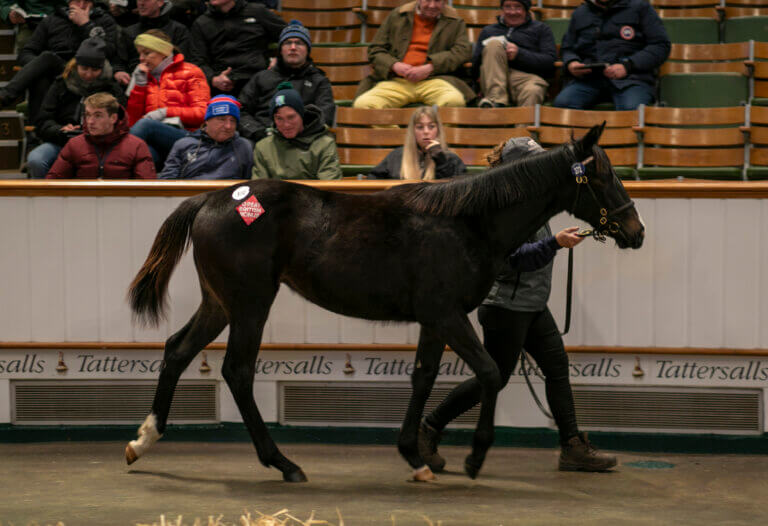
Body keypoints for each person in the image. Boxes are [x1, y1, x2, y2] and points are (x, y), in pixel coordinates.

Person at [418, 136, 618, 473]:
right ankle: (428, 429)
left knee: (556, 369)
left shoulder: (530, 200)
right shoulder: (501, 208)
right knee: (493, 379)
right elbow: (511, 260)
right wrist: (555, 243)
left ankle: (572, 447)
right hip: (506, 310)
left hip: (531, 304)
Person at [0, 0, 118, 121]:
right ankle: (39, 129)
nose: (81, 6)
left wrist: (86, 25)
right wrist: (38, 66)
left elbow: (108, 51)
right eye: (77, 1)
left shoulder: (105, 20)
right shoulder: (52, 20)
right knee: (43, 68)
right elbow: (27, 52)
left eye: (86, 1)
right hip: (57, 70)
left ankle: (5, 96)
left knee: (47, 58)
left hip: (89, 70)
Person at [28, 37, 126, 179]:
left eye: (94, 70)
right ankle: (45, 198)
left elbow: (121, 121)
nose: (88, 74)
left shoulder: (112, 89)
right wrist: (60, 130)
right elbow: (43, 120)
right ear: (76, 65)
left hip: (100, 146)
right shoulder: (61, 84)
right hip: (61, 141)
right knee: (36, 159)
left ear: (102, 68)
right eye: (84, 68)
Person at [353, 0, 474, 109]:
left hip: (434, 80)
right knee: (364, 105)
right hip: (396, 80)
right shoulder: (398, 15)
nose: (432, 5)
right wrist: (394, 65)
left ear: (444, 2)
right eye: (427, 0)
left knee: (453, 102)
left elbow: (462, 51)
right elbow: (375, 49)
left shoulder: (455, 21)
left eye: (437, 1)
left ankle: (429, 133)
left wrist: (431, 67)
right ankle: (398, 134)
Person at [554, 0, 670, 111]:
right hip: (589, 80)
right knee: (563, 104)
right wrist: (571, 62)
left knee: (631, 109)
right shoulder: (580, 13)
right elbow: (567, 48)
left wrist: (628, 65)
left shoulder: (641, 7)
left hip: (632, 79)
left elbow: (660, 46)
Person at [239, 20, 334, 143]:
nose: (293, 47)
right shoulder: (261, 77)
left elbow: (324, 116)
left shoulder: (319, 81)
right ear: (281, 49)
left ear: (307, 50)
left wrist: (295, 131)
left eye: (299, 43)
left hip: (303, 141)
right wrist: (257, 132)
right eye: (288, 43)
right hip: (262, 140)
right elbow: (241, 110)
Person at [126, 29, 210, 166]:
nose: (141, 58)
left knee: (145, 125)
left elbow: (203, 113)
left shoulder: (191, 72)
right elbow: (132, 123)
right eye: (139, 54)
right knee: (143, 156)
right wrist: (139, 87)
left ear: (163, 53)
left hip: (189, 137)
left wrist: (164, 112)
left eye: (147, 53)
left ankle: (111, 166)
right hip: (157, 143)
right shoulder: (142, 76)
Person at [46, 92, 156, 179]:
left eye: (98, 116)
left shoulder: (136, 146)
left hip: (122, 204)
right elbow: (53, 182)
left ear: (113, 118)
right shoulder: (75, 144)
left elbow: (147, 188)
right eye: (88, 115)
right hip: (82, 203)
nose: (90, 121)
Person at [190, 0, 286, 97]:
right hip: (222, 85)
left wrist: (278, 60)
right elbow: (197, 60)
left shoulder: (257, 11)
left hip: (257, 79)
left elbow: (290, 35)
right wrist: (213, 79)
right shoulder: (201, 23)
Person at [473, 0, 556, 108]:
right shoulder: (488, 31)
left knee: (533, 91)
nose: (512, 12)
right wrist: (491, 50)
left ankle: (524, 125)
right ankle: (496, 100)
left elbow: (549, 62)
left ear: (526, 10)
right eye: (507, 7)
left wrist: (519, 54)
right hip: (491, 77)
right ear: (502, 9)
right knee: (494, 44)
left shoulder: (541, 29)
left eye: (518, 7)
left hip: (526, 78)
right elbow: (474, 67)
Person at [251, 83, 342, 180]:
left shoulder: (325, 145)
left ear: (301, 115)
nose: (286, 125)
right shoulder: (263, 147)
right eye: (279, 119)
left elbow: (329, 188)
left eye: (291, 117)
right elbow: (259, 189)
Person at [159, 95, 253, 179]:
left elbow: (249, 185)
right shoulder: (184, 144)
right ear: (207, 121)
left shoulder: (243, 146)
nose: (228, 126)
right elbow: (166, 183)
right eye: (222, 119)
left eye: (232, 121)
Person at [112, 0, 200, 87]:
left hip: (172, 86)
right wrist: (118, 72)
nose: (141, 3)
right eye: (138, 0)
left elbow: (185, 61)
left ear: (160, 2)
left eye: (147, 0)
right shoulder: (128, 32)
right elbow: (118, 61)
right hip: (136, 86)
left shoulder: (179, 30)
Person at [369, 105, 464, 180]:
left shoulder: (451, 159)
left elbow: (454, 192)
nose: (426, 131)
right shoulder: (396, 157)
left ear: (438, 130)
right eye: (420, 127)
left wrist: (441, 161)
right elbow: (373, 181)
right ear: (413, 131)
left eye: (431, 126)